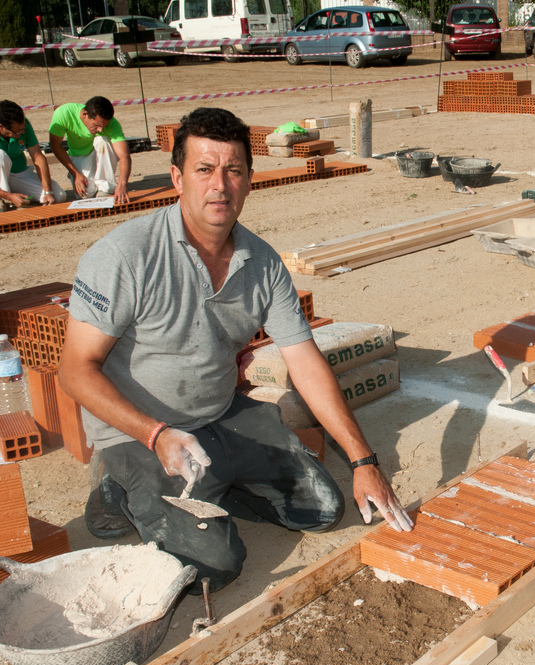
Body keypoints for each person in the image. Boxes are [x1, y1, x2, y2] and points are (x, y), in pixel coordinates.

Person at [58, 107, 413, 593]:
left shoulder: (262, 262)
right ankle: (118, 487)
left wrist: (363, 460)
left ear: (249, 181)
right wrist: (156, 434)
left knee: (322, 510)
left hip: (219, 413)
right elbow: (75, 371)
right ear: (178, 178)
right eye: (204, 169)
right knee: (215, 565)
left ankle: (210, 486)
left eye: (234, 170)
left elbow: (306, 363)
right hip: (140, 430)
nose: (219, 185)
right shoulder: (125, 255)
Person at [48, 96, 132, 204]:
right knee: (85, 194)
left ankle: (105, 187)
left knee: (103, 139)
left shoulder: (112, 124)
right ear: (85, 115)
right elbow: (55, 145)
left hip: (100, 153)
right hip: (80, 155)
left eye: (103, 126)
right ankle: (90, 181)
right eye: (96, 125)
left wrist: (122, 183)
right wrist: (75, 174)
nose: (100, 129)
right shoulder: (64, 113)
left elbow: (124, 155)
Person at [0, 100, 66, 208]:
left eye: (23, 128)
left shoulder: (24, 125)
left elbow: (37, 156)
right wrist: (9, 196)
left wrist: (48, 192)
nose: (23, 132)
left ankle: (10, 195)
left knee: (59, 196)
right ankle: (4, 199)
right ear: (1, 127)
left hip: (18, 173)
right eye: (17, 131)